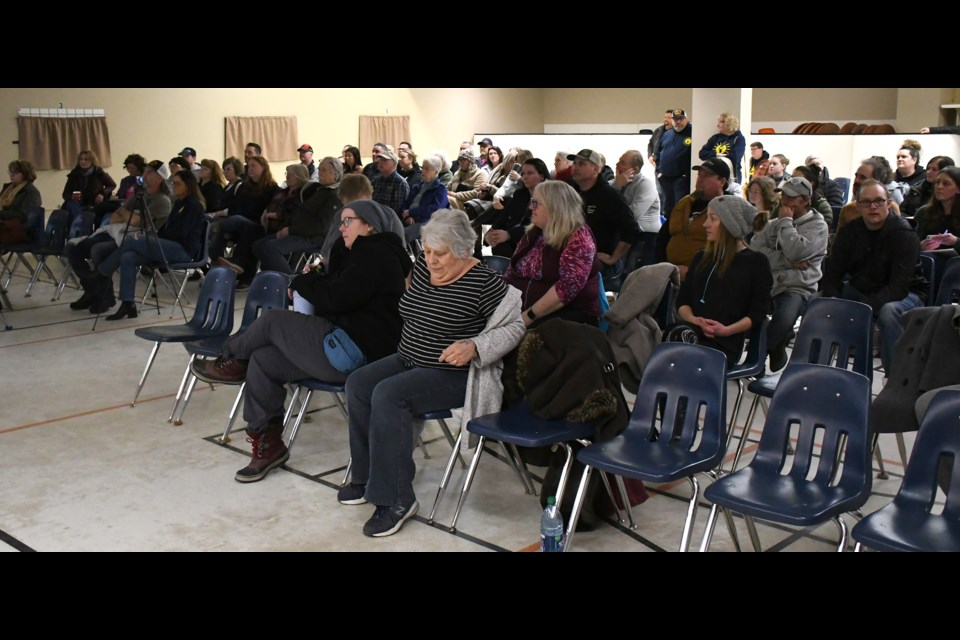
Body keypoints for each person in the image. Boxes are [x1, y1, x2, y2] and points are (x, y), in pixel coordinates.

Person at [191, 200, 413, 483]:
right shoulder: (354, 254)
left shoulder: (377, 253)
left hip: (357, 353)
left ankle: (229, 358)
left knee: (272, 322)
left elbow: (335, 298)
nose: (341, 227)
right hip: (338, 342)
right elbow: (336, 298)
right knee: (263, 361)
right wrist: (319, 280)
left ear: (369, 225)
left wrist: (301, 283)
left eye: (349, 221)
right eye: (340, 221)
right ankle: (268, 444)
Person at [338, 209, 523, 538]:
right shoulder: (423, 267)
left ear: (465, 251)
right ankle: (366, 477)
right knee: (358, 384)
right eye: (426, 251)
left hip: (452, 374)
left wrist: (476, 345)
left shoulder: (485, 284)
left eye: (441, 253)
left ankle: (397, 499)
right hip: (409, 357)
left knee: (389, 395)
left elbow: (515, 328)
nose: (432, 260)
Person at [823, 180, 927, 374]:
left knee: (888, 313)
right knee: (819, 303)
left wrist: (865, 308)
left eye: (879, 201)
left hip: (907, 294)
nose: (873, 207)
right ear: (858, 205)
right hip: (862, 289)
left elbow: (899, 286)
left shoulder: (904, 235)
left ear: (888, 203)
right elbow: (833, 272)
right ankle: (815, 373)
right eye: (866, 202)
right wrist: (832, 297)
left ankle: (895, 379)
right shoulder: (850, 232)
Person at [90, 170, 205, 321]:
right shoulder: (178, 204)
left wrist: (155, 239)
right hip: (167, 244)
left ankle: (102, 273)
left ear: (188, 186)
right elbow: (168, 230)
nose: (174, 186)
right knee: (128, 257)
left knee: (131, 240)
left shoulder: (194, 206)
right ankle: (128, 303)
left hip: (182, 249)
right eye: (173, 182)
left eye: (178, 183)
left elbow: (181, 233)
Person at [676, 196, 772, 364]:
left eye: (713, 219)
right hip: (691, 332)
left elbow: (758, 312)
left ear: (729, 226)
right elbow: (683, 300)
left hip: (725, 341)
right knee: (669, 351)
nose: (705, 224)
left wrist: (727, 330)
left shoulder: (756, 262)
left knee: (688, 360)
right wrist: (694, 320)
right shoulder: (701, 257)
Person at [67, 160, 172, 313]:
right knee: (72, 248)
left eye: (150, 172)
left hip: (136, 239)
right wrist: (128, 214)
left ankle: (103, 296)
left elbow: (137, 222)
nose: (145, 175)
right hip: (118, 232)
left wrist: (126, 214)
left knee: (98, 250)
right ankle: (92, 291)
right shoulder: (139, 195)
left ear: (160, 177)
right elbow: (114, 218)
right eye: (145, 171)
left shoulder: (162, 200)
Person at [749, 177, 828, 372]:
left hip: (797, 286)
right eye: (783, 194)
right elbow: (756, 251)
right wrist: (787, 261)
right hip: (770, 282)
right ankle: (777, 345)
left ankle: (755, 360)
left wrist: (786, 222)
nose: (784, 201)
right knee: (745, 309)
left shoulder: (818, 227)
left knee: (784, 318)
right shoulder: (774, 223)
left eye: (791, 197)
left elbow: (797, 251)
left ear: (805, 200)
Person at [505, 180, 601, 326]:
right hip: (522, 313)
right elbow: (510, 273)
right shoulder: (535, 232)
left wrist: (525, 318)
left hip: (563, 321)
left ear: (555, 207)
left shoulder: (579, 239)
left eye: (536, 202)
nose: (530, 207)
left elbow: (565, 290)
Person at [253, 157, 343, 274]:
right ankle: (273, 278)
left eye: (324, 170)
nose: (319, 173)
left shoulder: (334, 196)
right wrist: (286, 228)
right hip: (298, 232)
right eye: (319, 169)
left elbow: (320, 226)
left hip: (313, 238)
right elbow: (299, 213)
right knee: (258, 245)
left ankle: (291, 282)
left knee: (271, 248)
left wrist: (290, 230)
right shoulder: (320, 190)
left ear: (335, 174)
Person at [567, 149, 639, 291]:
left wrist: (613, 258)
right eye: (574, 163)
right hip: (575, 255)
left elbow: (631, 229)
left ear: (596, 169)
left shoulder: (608, 195)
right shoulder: (573, 193)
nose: (575, 167)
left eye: (581, 164)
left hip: (599, 259)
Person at [661, 157, 732, 280]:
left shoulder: (727, 207)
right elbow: (663, 237)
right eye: (699, 175)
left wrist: (693, 272)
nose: (700, 179)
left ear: (722, 182)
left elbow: (727, 249)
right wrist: (661, 267)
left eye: (706, 176)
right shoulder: (684, 203)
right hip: (669, 273)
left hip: (704, 277)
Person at [207, 156, 277, 279]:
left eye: (253, 166)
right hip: (239, 223)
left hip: (257, 225)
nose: (250, 169)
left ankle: (236, 262)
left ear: (263, 168)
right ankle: (216, 266)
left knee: (232, 223)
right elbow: (234, 207)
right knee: (217, 230)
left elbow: (269, 208)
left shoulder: (271, 188)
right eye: (248, 166)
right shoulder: (245, 187)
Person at [484, 158, 549, 258]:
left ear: (542, 176)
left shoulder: (549, 197)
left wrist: (508, 234)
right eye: (523, 173)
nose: (525, 177)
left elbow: (536, 227)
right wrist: (492, 232)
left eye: (530, 173)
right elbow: (505, 214)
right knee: (499, 244)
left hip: (534, 241)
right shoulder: (520, 194)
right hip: (514, 238)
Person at [399, 154, 448, 244]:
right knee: (390, 231)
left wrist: (411, 212)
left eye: (427, 169)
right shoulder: (418, 185)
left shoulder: (440, 189)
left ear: (436, 172)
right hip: (411, 219)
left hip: (428, 222)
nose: (422, 171)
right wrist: (408, 216)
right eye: (423, 168)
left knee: (401, 235)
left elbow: (435, 210)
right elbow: (406, 203)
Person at [654, 108, 693, 218]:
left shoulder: (693, 132)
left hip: (681, 179)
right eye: (675, 119)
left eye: (681, 119)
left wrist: (686, 175)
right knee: (667, 209)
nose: (678, 122)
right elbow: (657, 153)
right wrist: (659, 172)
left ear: (686, 119)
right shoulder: (666, 134)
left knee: (680, 210)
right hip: (665, 179)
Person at [93, 154, 146, 225]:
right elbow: (120, 194)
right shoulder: (125, 180)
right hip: (121, 203)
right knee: (100, 207)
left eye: (133, 168)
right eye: (128, 168)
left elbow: (142, 196)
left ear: (139, 168)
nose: (130, 170)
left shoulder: (143, 180)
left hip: (133, 205)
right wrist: (115, 197)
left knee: (103, 207)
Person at [916, 166, 960, 253]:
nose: (939, 187)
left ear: (958, 189)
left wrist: (956, 242)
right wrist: (920, 246)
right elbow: (910, 244)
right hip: (929, 260)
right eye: (937, 183)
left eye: (946, 184)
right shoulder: (923, 212)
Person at [0, 160, 42, 244]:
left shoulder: (31, 192)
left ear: (25, 174)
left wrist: (1, 214)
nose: (11, 175)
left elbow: (23, 216)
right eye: (10, 172)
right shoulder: (8, 189)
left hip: (21, 230)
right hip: (5, 225)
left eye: (15, 172)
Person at [699, 112, 746, 185]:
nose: (717, 125)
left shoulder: (738, 139)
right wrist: (718, 155)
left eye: (720, 122)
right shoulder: (715, 138)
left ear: (728, 123)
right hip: (713, 175)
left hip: (731, 177)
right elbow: (702, 154)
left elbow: (735, 158)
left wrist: (714, 157)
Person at [892, 140, 926, 217]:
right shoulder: (891, 177)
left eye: (904, 157)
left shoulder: (925, 178)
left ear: (914, 160)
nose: (900, 159)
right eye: (898, 157)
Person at [370, 149, 409, 216]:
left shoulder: (400, 183)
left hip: (391, 220)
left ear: (394, 164)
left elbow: (398, 209)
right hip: (374, 216)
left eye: (385, 160)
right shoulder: (376, 180)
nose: (381, 162)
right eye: (381, 159)